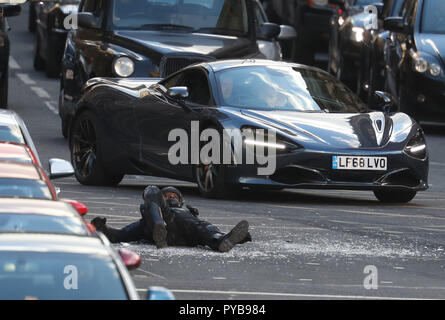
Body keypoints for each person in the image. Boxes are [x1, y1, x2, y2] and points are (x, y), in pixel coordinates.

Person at [91, 186, 252, 253]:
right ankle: (159, 225)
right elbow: (122, 235)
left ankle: (222, 241)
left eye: (173, 196)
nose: (170, 197)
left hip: (184, 230)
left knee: (204, 228)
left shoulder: (188, 213)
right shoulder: (150, 213)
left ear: (180, 201)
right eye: (166, 196)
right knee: (152, 189)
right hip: (160, 222)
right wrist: (102, 229)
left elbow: (201, 229)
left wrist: (236, 238)